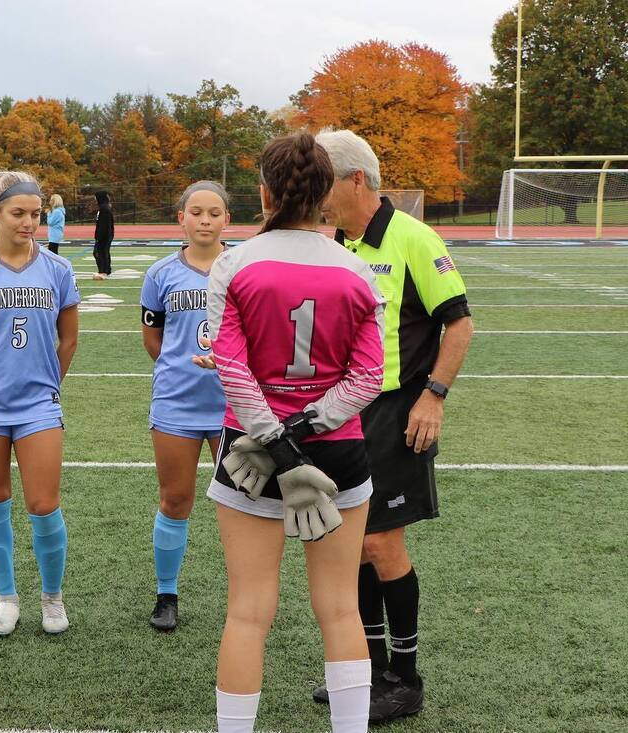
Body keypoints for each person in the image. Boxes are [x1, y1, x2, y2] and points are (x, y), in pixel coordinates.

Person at [203, 132, 386, 733]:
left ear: (264, 192)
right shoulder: (358, 271)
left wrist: (276, 440)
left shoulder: (234, 263)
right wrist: (307, 429)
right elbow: (367, 377)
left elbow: (231, 366)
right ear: (324, 195)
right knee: (340, 609)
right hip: (336, 451)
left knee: (249, 612)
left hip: (250, 453)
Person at [309, 128, 474, 723]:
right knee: (351, 548)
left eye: (324, 181)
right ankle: (367, 673)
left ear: (357, 179)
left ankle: (405, 679)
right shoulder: (340, 243)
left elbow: (458, 324)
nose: (317, 195)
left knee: (380, 543)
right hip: (345, 411)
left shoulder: (411, 235)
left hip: (397, 410)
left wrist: (433, 397)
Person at [0, 170, 80, 636]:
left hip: (38, 405)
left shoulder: (57, 269)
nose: (30, 222)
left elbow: (68, 340)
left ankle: (52, 597)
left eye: (35, 214)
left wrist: (50, 384)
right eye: (19, 213)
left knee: (44, 504)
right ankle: (6, 597)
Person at [140, 180, 229, 631]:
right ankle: (166, 593)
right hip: (177, 401)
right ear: (182, 218)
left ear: (226, 220)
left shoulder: (242, 268)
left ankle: (247, 593)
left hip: (234, 404)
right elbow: (154, 340)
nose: (206, 220)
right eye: (197, 212)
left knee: (241, 505)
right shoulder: (161, 273)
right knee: (175, 500)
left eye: (215, 212)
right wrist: (182, 367)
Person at [92, 189, 114, 280]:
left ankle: (103, 271)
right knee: (103, 252)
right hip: (105, 235)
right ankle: (105, 270)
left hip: (104, 236)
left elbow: (104, 225)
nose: (95, 200)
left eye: (96, 198)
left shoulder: (104, 209)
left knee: (100, 252)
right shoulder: (103, 208)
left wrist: (99, 237)